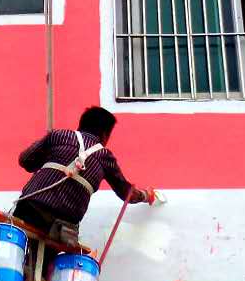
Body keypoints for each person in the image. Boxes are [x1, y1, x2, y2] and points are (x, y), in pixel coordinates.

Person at [13, 106, 154, 251]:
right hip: (64, 227)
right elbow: (127, 193)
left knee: (15, 253)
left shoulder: (59, 135)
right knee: (47, 262)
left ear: (80, 125)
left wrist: (48, 165)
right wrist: (146, 195)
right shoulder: (105, 157)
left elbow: (25, 160)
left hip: (31, 208)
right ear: (105, 135)